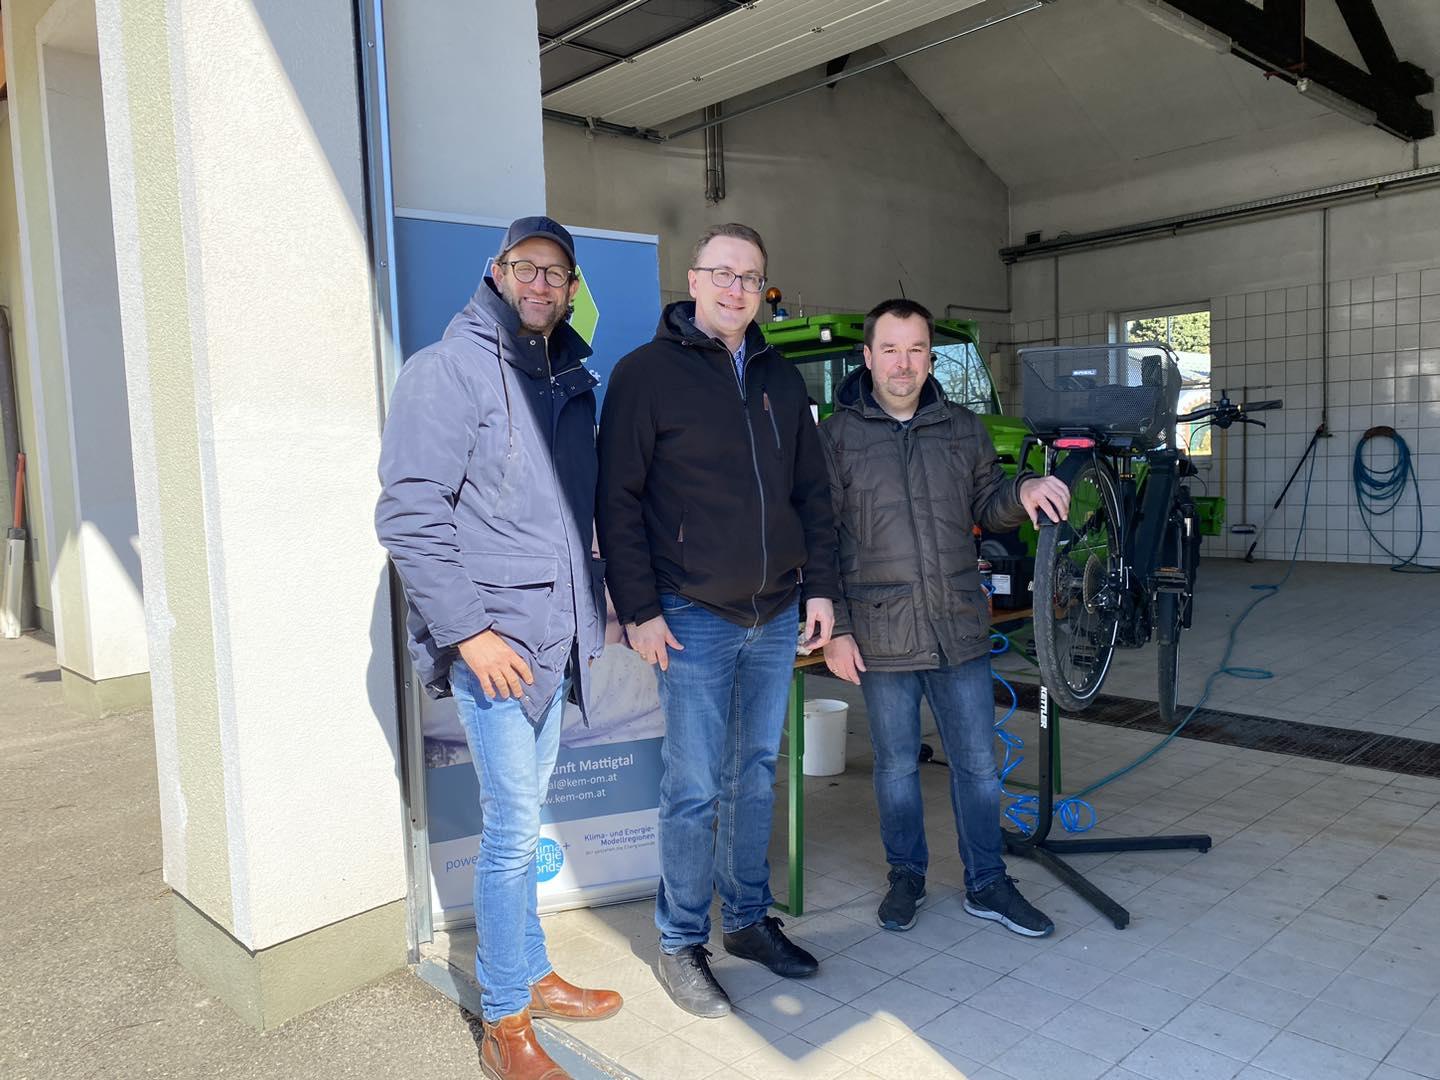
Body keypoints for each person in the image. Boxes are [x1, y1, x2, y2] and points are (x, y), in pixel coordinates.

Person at [376, 216, 621, 1080]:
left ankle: (533, 971)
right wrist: (470, 635)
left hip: (555, 640)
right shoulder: (449, 370)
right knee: (513, 831)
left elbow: (567, 520)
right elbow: (409, 515)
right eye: (527, 267)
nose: (541, 283)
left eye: (557, 273)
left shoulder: (566, 379)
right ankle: (505, 1018)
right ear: (497, 272)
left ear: (572, 288)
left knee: (524, 822)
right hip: (499, 647)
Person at [597, 223, 840, 1018]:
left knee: (753, 775)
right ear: (694, 280)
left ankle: (746, 920)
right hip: (692, 614)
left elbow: (813, 494)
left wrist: (820, 589)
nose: (737, 289)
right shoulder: (645, 375)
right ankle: (679, 942)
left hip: (774, 612)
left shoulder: (782, 379)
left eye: (751, 277)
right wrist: (639, 608)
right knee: (694, 786)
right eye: (723, 273)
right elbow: (618, 500)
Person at [819, 298, 1070, 938]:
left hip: (957, 624)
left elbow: (988, 501)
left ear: (931, 358)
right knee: (896, 768)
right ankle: (906, 875)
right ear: (868, 356)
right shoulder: (837, 437)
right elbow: (822, 538)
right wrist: (839, 629)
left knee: (978, 766)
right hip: (881, 630)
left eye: (916, 350)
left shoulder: (963, 428)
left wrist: (1023, 490)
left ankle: (987, 882)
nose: (903, 363)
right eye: (890, 349)